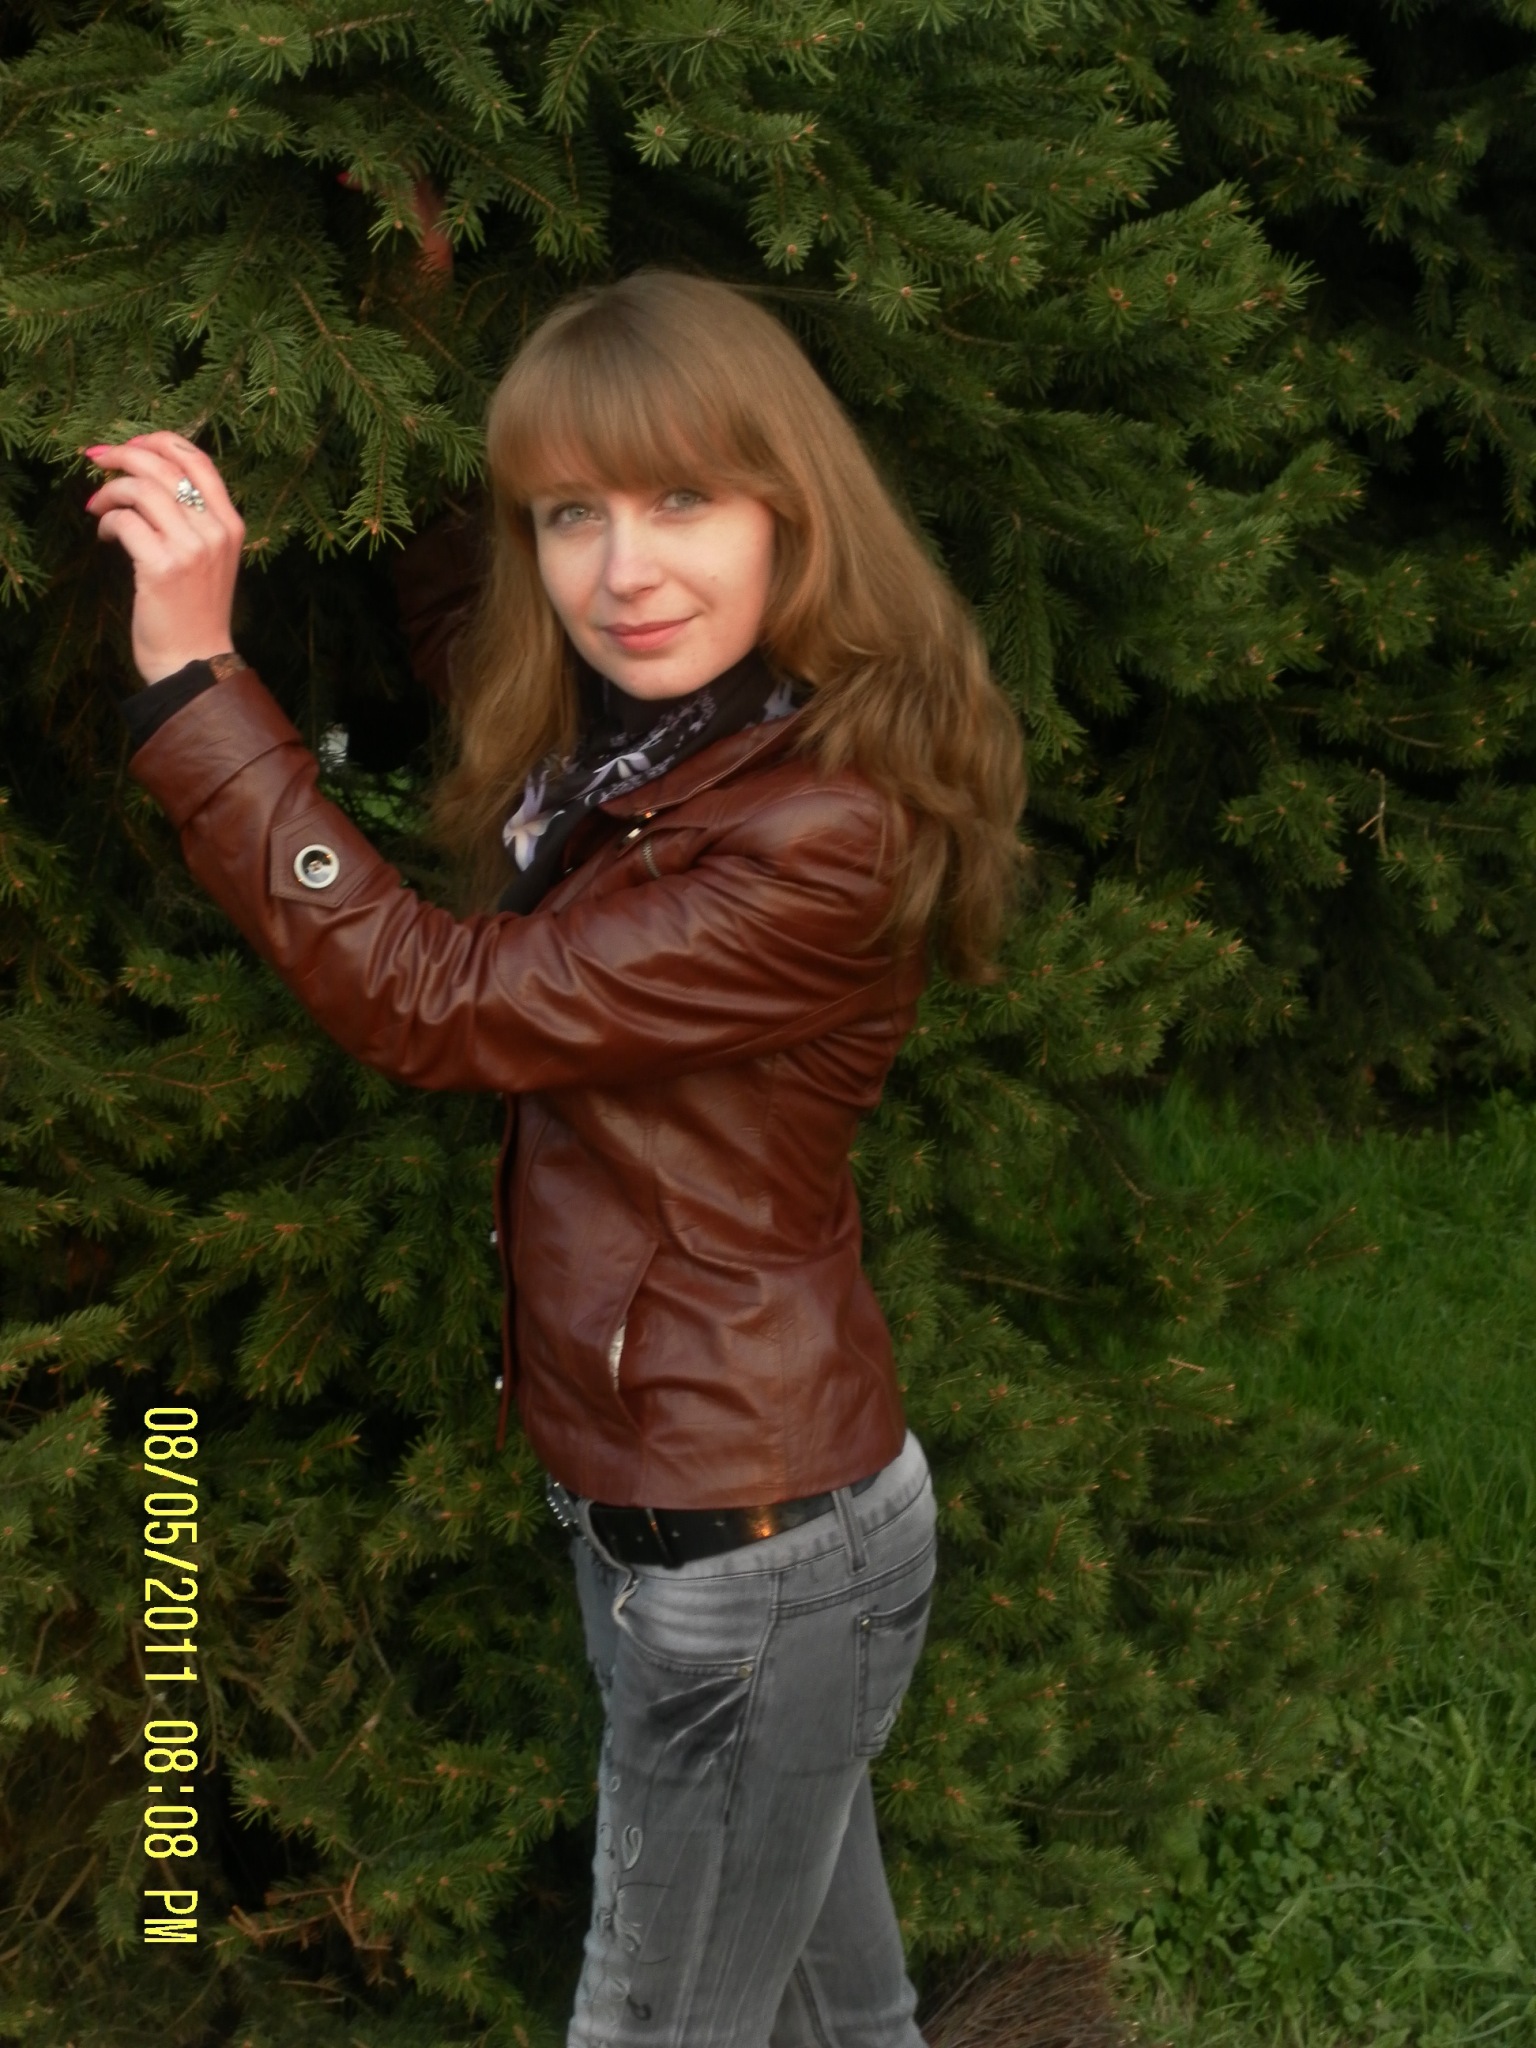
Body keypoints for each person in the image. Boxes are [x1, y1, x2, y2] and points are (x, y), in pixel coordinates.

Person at [85, 270, 1025, 2048]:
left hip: (749, 1560)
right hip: (708, 1523)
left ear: (794, 511)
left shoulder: (814, 832)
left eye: (683, 500)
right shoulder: (676, 735)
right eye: (572, 515)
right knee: (846, 2027)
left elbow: (435, 1002)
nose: (624, 571)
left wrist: (196, 679)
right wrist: (394, 321)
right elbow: (475, 616)